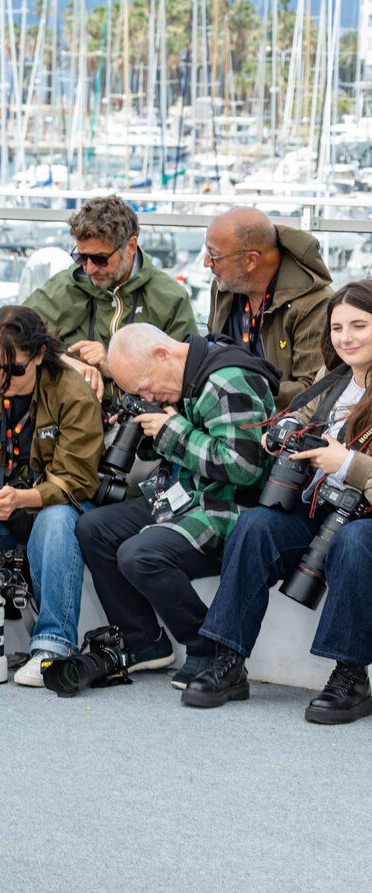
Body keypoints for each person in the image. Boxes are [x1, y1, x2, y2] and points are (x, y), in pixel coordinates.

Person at [184, 280, 372, 724]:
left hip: (363, 520)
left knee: (355, 543)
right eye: (337, 328)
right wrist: (281, 434)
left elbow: (348, 468)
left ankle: (351, 675)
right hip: (320, 508)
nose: (346, 338)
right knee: (255, 527)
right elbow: (297, 418)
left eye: (359, 326)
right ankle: (229, 660)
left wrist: (347, 463)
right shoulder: (333, 379)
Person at [75, 323, 280, 690]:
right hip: (187, 494)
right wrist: (147, 430)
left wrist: (171, 431)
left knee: (139, 555)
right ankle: (145, 640)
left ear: (163, 354)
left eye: (145, 387)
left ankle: (210, 647)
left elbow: (245, 467)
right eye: (139, 393)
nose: (148, 395)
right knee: (94, 528)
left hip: (228, 508)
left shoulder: (227, 380)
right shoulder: (185, 377)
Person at [0, 306, 103, 685]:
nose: (1, 379)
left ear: (38, 356)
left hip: (54, 502)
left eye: (14, 370)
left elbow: (76, 480)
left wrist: (24, 498)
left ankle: (53, 645)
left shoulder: (72, 393)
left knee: (56, 522)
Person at [23, 195, 197, 400]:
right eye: (81, 257)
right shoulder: (66, 286)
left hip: (145, 415)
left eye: (100, 259)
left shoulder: (170, 298)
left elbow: (185, 378)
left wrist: (113, 367)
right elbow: (13, 333)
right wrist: (62, 360)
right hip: (75, 409)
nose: (89, 269)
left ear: (130, 247)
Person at [204, 206, 333, 408]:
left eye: (213, 255)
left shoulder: (314, 304)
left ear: (250, 260)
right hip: (225, 409)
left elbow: (311, 389)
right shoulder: (224, 288)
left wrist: (238, 391)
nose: (206, 263)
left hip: (281, 420)